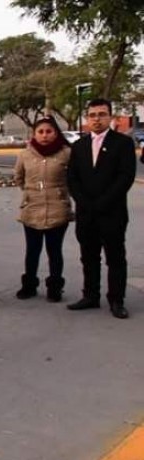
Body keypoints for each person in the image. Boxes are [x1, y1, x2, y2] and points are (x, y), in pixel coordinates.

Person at [66, 98, 137, 319]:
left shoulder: (123, 144)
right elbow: (72, 178)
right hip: (86, 213)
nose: (97, 119)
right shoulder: (79, 146)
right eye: (93, 115)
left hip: (112, 212)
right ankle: (90, 296)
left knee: (115, 258)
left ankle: (116, 300)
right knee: (89, 256)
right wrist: (83, 202)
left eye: (101, 114)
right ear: (87, 119)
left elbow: (125, 177)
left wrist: (103, 202)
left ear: (110, 117)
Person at [13, 116, 73, 302]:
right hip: (32, 208)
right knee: (32, 250)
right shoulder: (25, 154)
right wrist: (32, 192)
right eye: (40, 132)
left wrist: (60, 194)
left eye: (49, 131)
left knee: (54, 251)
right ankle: (29, 285)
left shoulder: (66, 153)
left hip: (58, 208)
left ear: (56, 133)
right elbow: (19, 177)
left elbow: (73, 178)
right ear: (34, 134)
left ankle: (55, 288)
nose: (45, 135)